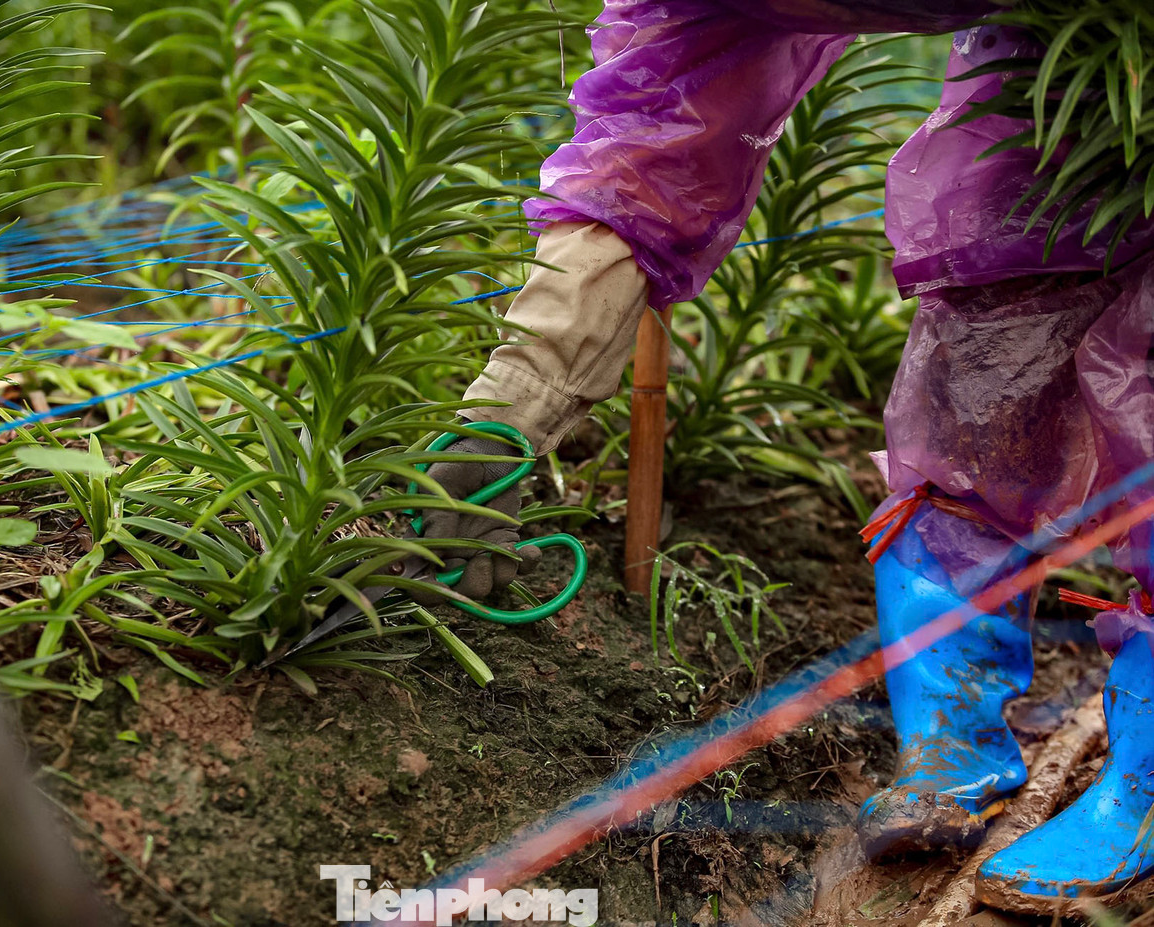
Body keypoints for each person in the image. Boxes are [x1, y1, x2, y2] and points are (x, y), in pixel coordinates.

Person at [419, 0, 1154, 915]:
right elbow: (660, 121)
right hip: (1046, 59)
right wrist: (514, 407)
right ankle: (953, 736)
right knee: (990, 297)